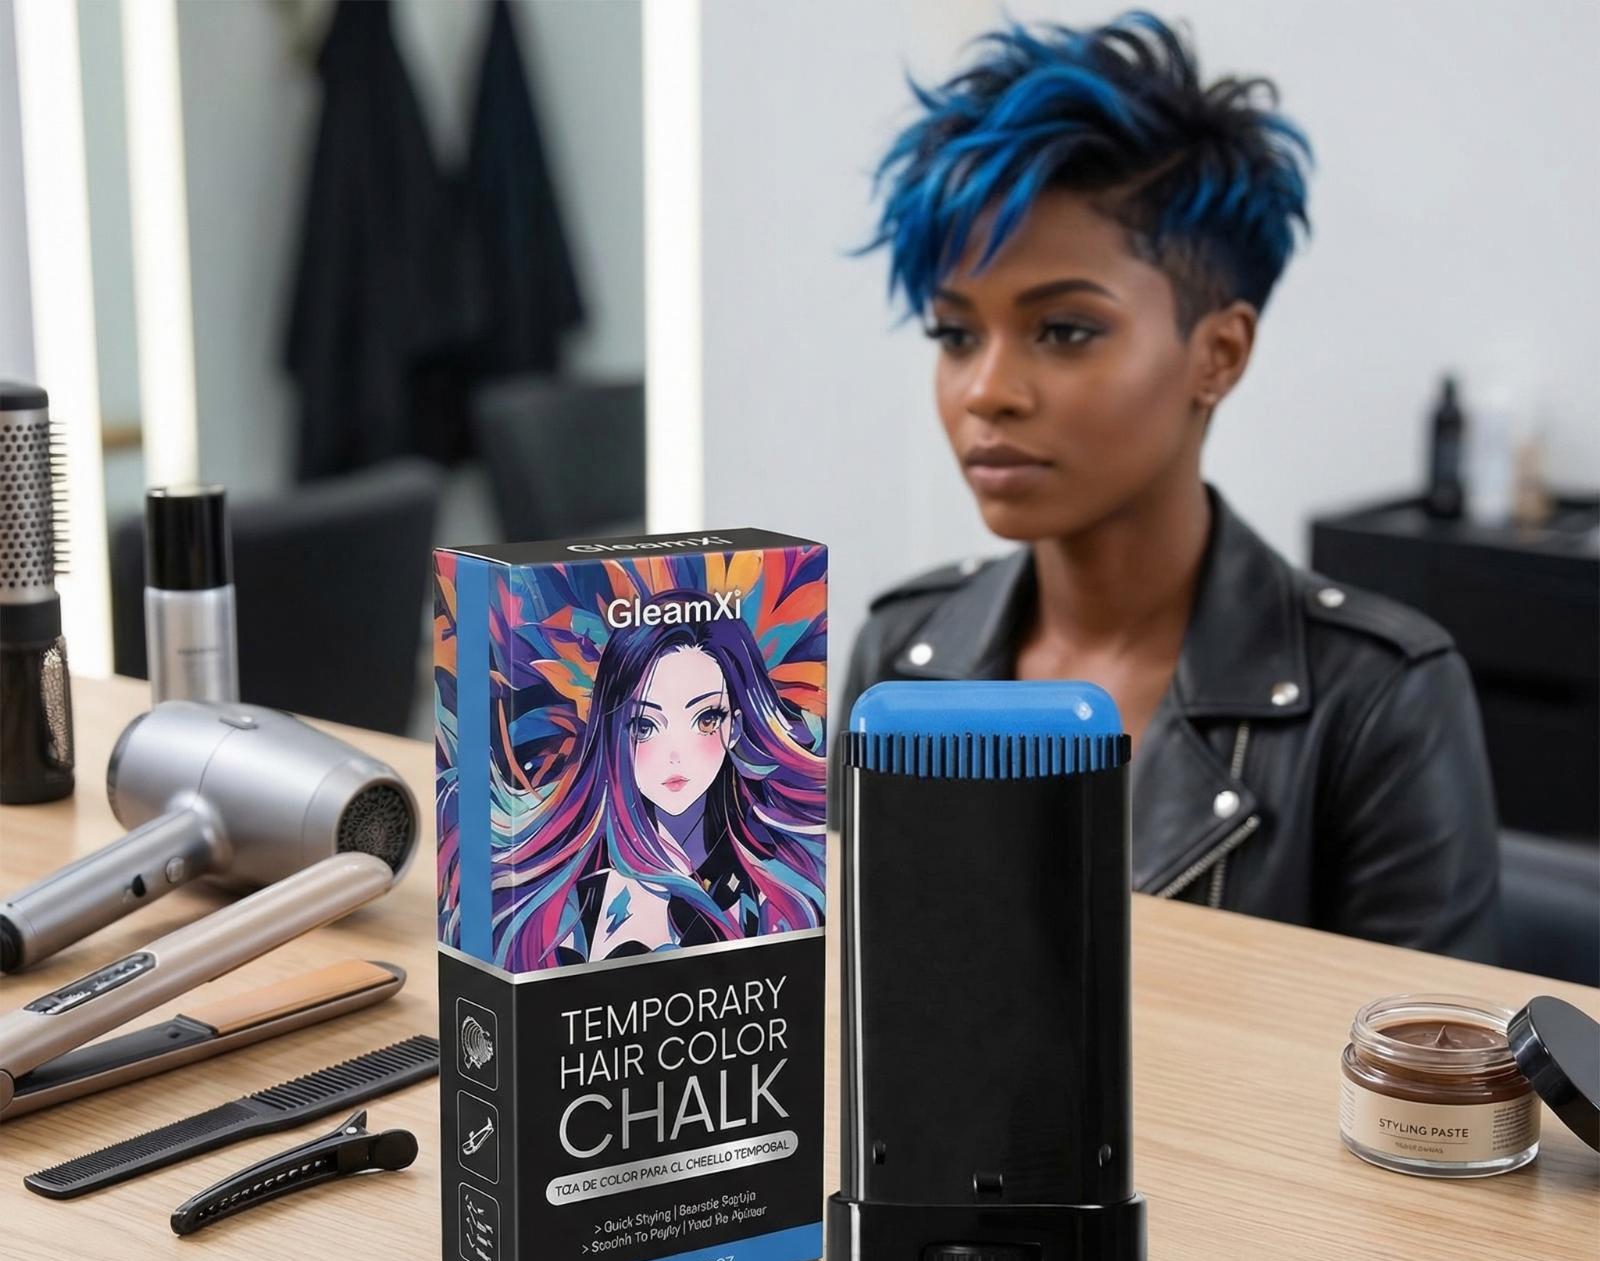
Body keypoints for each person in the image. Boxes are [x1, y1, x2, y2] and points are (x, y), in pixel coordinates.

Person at [838, 12, 1499, 958]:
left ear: (1217, 355)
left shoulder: (1378, 699)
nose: (986, 390)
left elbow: (1423, 1052)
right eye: (955, 334)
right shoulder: (905, 654)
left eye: (1064, 330)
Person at [500, 589, 827, 968]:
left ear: (735, 727)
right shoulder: (578, 905)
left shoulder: (776, 890)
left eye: (706, 719)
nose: (675, 754)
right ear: (616, 734)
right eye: (645, 725)